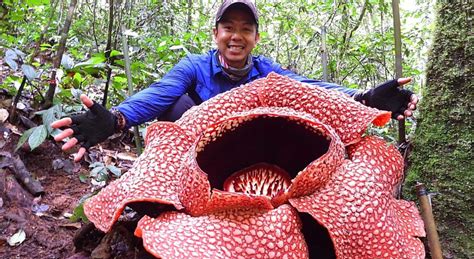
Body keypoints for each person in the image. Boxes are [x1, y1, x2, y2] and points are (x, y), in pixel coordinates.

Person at [52, 0, 418, 162]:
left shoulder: (267, 74)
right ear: (216, 33)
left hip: (243, 160)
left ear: (256, 38)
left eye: (245, 29)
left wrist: (363, 98)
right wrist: (117, 118)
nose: (236, 36)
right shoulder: (193, 66)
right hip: (189, 157)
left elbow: (310, 87)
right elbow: (157, 94)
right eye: (229, 27)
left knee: (292, 105)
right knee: (175, 101)